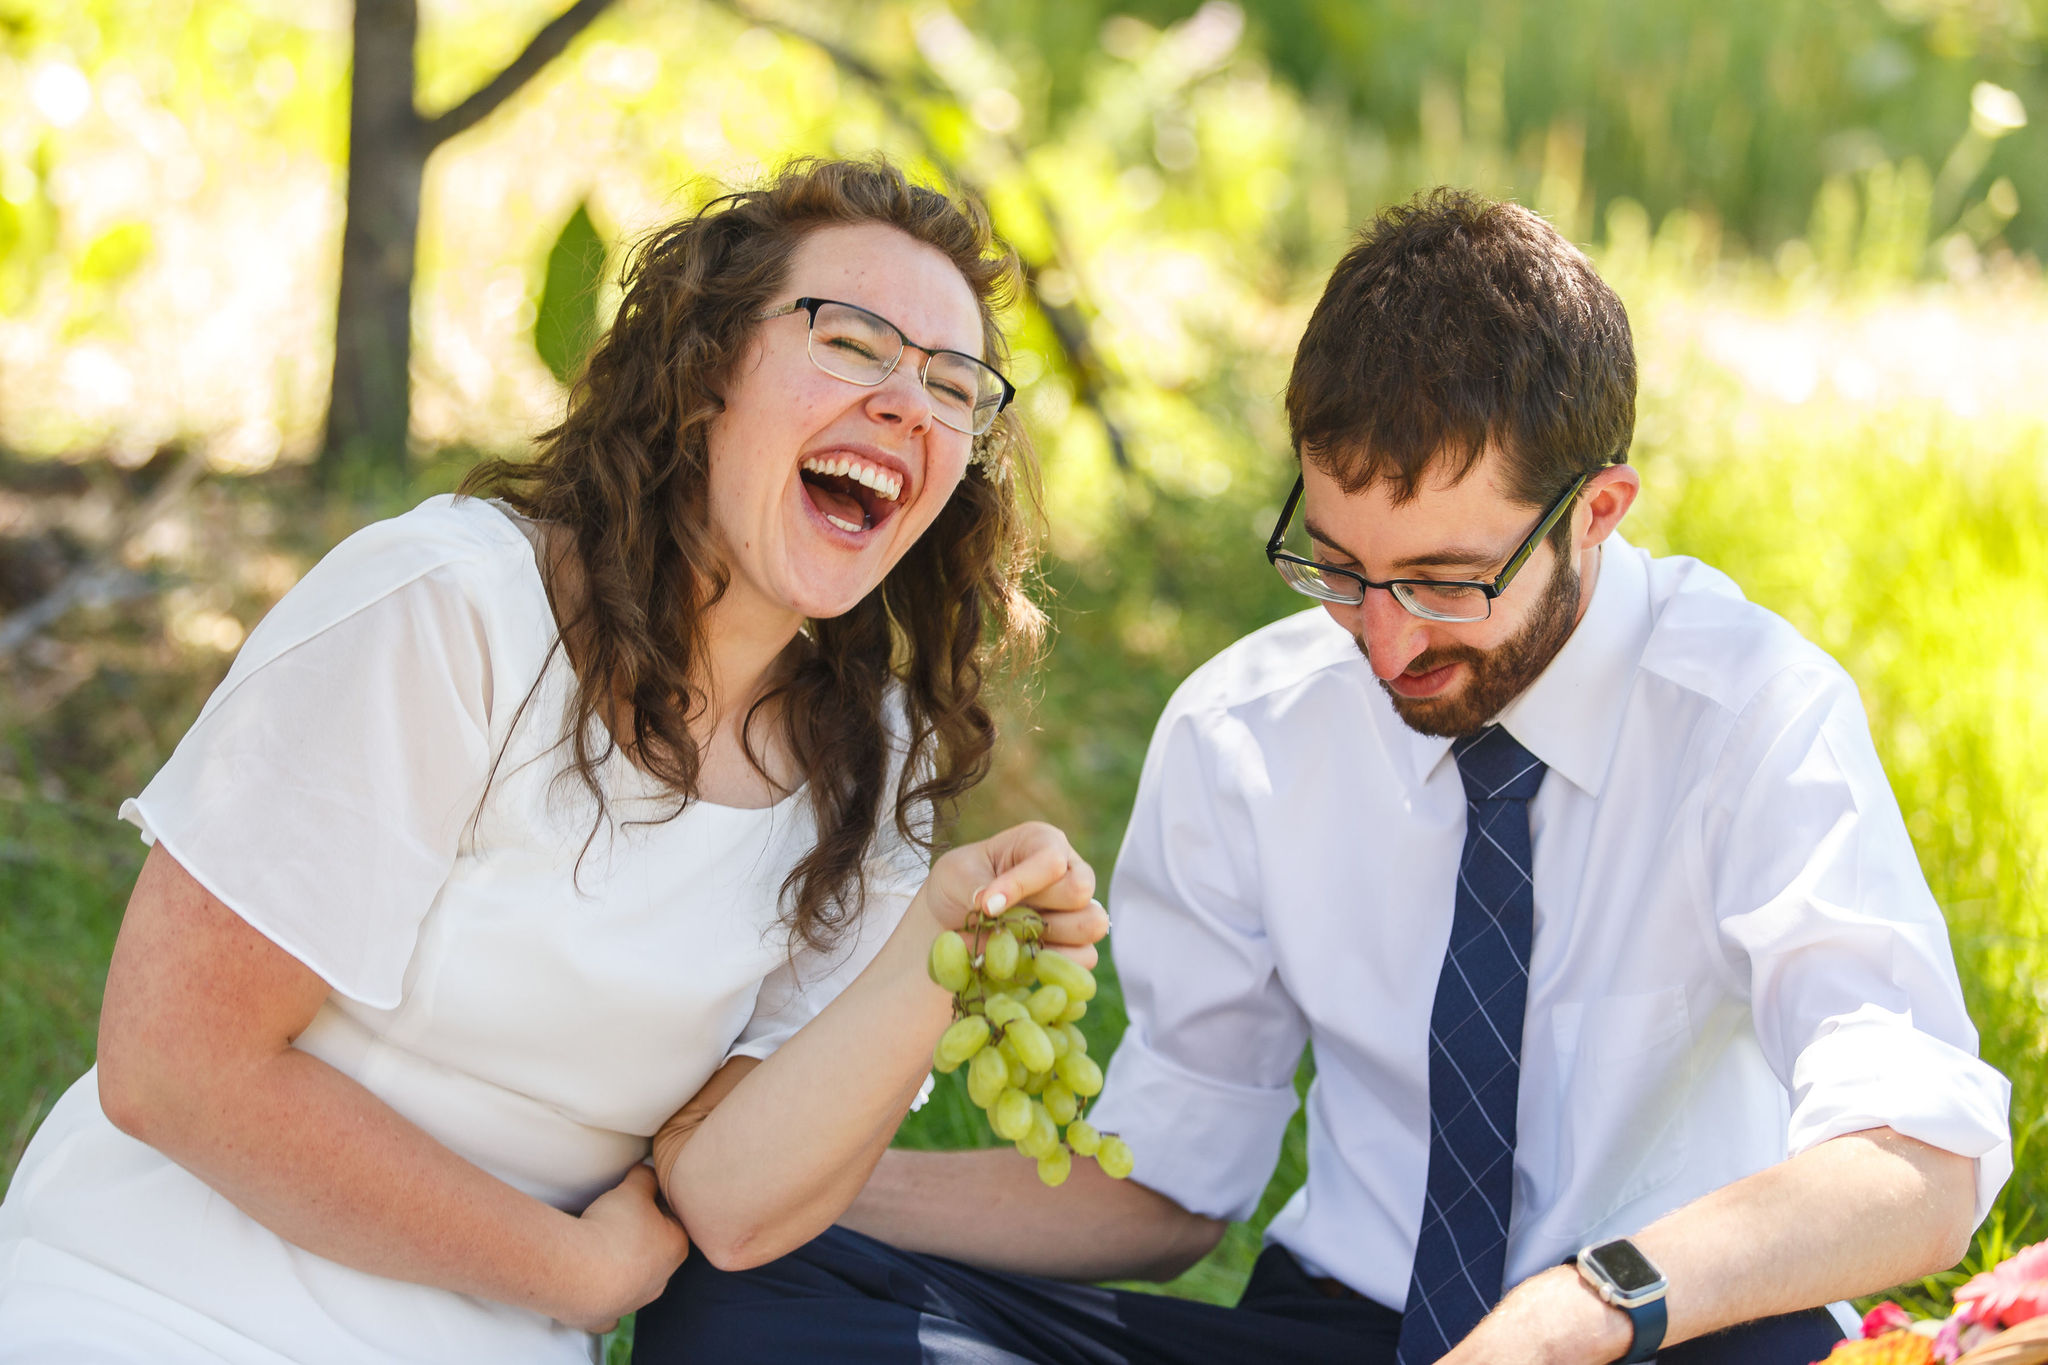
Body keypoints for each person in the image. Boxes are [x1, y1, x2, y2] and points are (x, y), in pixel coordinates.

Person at [634, 188, 2012, 1365]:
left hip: (1667, 1323)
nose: (1388, 636)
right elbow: (1172, 1196)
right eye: (1343, 567)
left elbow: (1921, 1168)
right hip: (1349, 1328)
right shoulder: (1251, 729)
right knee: (751, 1305)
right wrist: (793, 1175)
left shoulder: (1749, 711)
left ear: (1597, 513)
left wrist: (1590, 1305)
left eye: (1449, 580)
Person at [0, 158, 1108, 1364]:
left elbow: (732, 1205)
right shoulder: (453, 610)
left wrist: (930, 946)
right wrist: (569, 1268)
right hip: (162, 1295)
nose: (909, 403)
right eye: (852, 344)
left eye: (954, 386)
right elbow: (175, 1066)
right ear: (706, 372)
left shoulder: (868, 767)